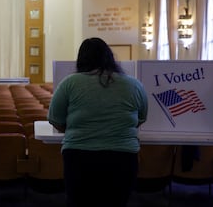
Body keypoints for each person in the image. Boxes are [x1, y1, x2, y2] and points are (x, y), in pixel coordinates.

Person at [47, 37, 148, 207]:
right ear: (110, 57)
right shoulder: (134, 84)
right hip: (123, 158)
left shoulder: (69, 83)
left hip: (79, 156)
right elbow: (140, 119)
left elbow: (55, 119)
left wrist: (76, 129)